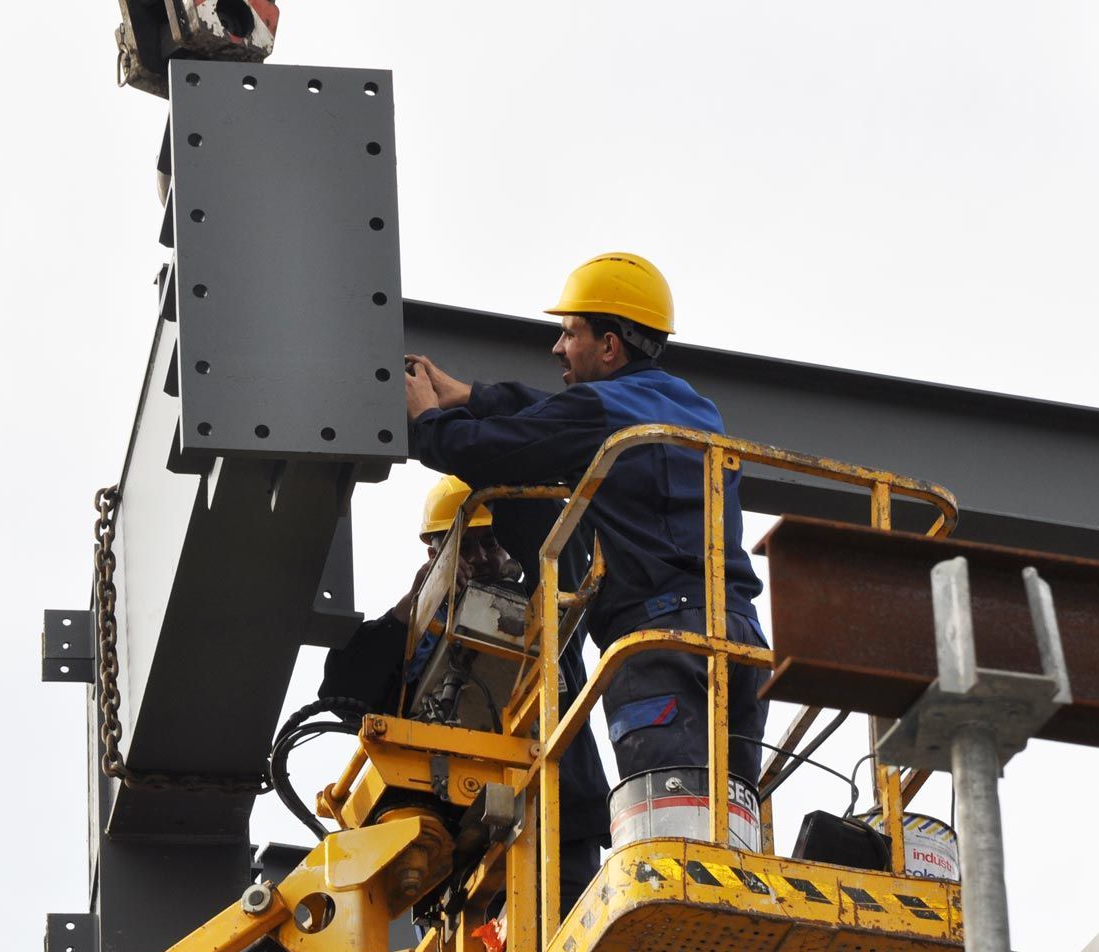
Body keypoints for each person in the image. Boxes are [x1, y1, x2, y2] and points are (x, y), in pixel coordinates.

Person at [403, 251, 768, 789]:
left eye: (570, 333)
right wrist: (473, 394)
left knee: (666, 827)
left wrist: (430, 418)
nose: (558, 346)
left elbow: (491, 450)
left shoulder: (600, 414)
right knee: (729, 822)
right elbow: (553, 413)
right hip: (740, 637)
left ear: (609, 345)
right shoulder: (695, 409)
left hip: (659, 642)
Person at [320, 476, 612, 907]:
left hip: (555, 816)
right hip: (454, 847)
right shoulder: (413, 633)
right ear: (434, 554)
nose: (478, 559)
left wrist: (499, 465)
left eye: (490, 543)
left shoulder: (543, 606)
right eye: (464, 546)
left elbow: (568, 551)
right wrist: (410, 610)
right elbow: (341, 695)